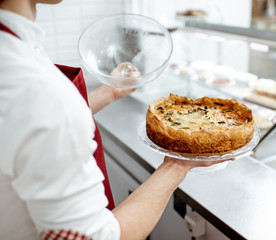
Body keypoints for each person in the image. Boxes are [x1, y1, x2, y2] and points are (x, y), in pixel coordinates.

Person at [0, 1, 231, 240]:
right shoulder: (34, 86)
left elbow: (36, 119)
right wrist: (178, 164)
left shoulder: (13, 54)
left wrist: (109, 92)